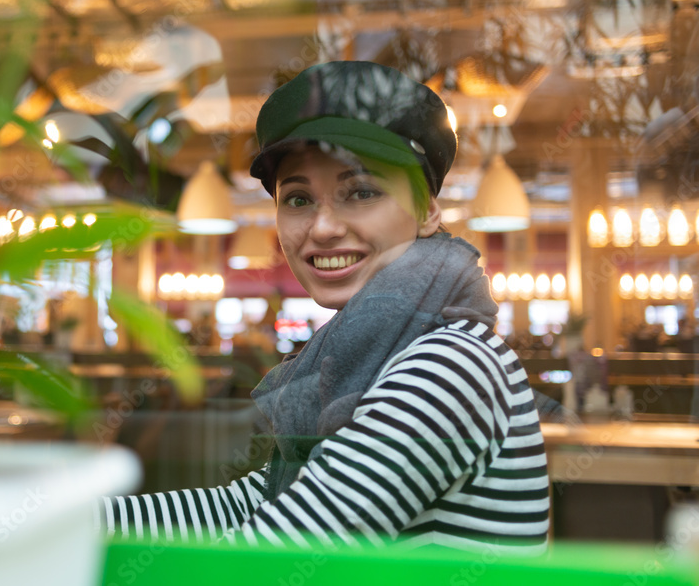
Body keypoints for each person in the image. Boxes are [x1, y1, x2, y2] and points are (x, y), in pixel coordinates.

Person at [99, 61, 549, 552]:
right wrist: (72, 520)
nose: (323, 227)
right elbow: (255, 503)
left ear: (427, 211)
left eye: (361, 191)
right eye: (297, 199)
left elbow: (271, 558)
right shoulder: (369, 353)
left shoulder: (450, 363)